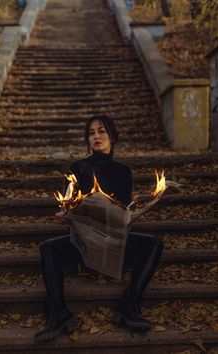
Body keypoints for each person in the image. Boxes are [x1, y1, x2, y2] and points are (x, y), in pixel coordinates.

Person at [35, 115, 163, 342]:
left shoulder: (123, 171)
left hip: (114, 244)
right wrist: (66, 214)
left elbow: (123, 210)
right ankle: (58, 313)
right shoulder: (78, 168)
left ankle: (129, 305)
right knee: (48, 248)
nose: (96, 136)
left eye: (101, 131)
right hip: (84, 244)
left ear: (112, 136)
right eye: (91, 133)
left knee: (154, 243)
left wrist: (131, 211)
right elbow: (68, 203)